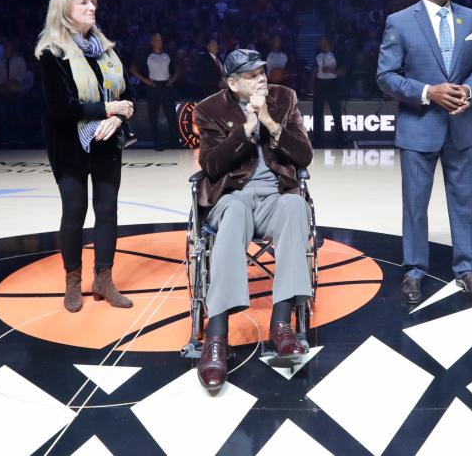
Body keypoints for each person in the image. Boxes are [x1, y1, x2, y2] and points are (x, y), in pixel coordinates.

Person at [193, 49, 314, 390]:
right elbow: (212, 166)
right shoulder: (210, 109)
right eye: (251, 75)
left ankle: (282, 326)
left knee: (294, 207)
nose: (261, 77)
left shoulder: (284, 99)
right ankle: (216, 338)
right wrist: (246, 130)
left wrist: (271, 124)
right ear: (232, 83)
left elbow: (304, 156)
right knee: (233, 213)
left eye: (262, 71)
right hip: (235, 196)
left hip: (276, 196)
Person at [377, 0, 472, 305]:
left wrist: (469, 91)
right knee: (415, 204)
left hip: (461, 125)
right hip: (419, 127)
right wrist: (429, 92)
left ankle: (467, 269)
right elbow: (386, 77)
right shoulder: (400, 21)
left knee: (465, 202)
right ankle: (413, 271)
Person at [36, 0, 136, 313]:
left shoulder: (107, 50)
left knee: (107, 212)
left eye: (93, 2)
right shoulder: (52, 52)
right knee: (74, 213)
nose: (92, 8)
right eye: (83, 3)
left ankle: (103, 280)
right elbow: (61, 109)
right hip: (70, 145)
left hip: (108, 141)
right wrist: (108, 110)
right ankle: (73, 280)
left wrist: (118, 119)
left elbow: (127, 97)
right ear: (65, 10)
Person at [130, 32, 178, 151]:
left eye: (160, 40)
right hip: (153, 87)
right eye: (157, 40)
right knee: (153, 117)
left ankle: (173, 142)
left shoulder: (168, 54)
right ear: (152, 42)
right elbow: (132, 68)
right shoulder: (146, 54)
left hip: (166, 86)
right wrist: (146, 81)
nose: (159, 42)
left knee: (171, 116)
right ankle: (157, 143)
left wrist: (173, 79)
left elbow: (178, 68)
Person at [312, 35, 344, 148]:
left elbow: (343, 71)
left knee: (336, 113)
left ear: (327, 42)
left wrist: (331, 70)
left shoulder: (337, 54)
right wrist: (312, 83)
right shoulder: (318, 54)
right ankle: (317, 139)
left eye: (321, 40)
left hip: (332, 84)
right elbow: (315, 70)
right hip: (319, 84)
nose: (319, 42)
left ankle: (340, 138)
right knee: (317, 113)